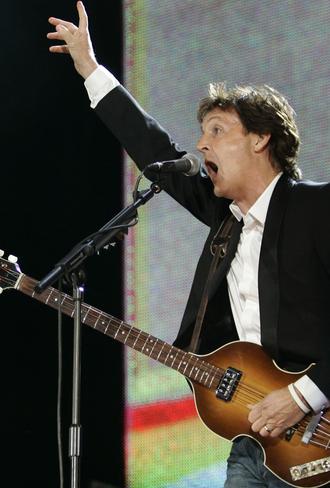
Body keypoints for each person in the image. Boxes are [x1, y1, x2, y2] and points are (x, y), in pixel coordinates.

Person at [48, 3, 330, 486]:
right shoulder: (226, 222)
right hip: (254, 444)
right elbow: (157, 152)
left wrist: (304, 396)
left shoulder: (316, 210)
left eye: (217, 132)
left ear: (262, 139)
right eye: (202, 134)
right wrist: (92, 71)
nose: (201, 146)